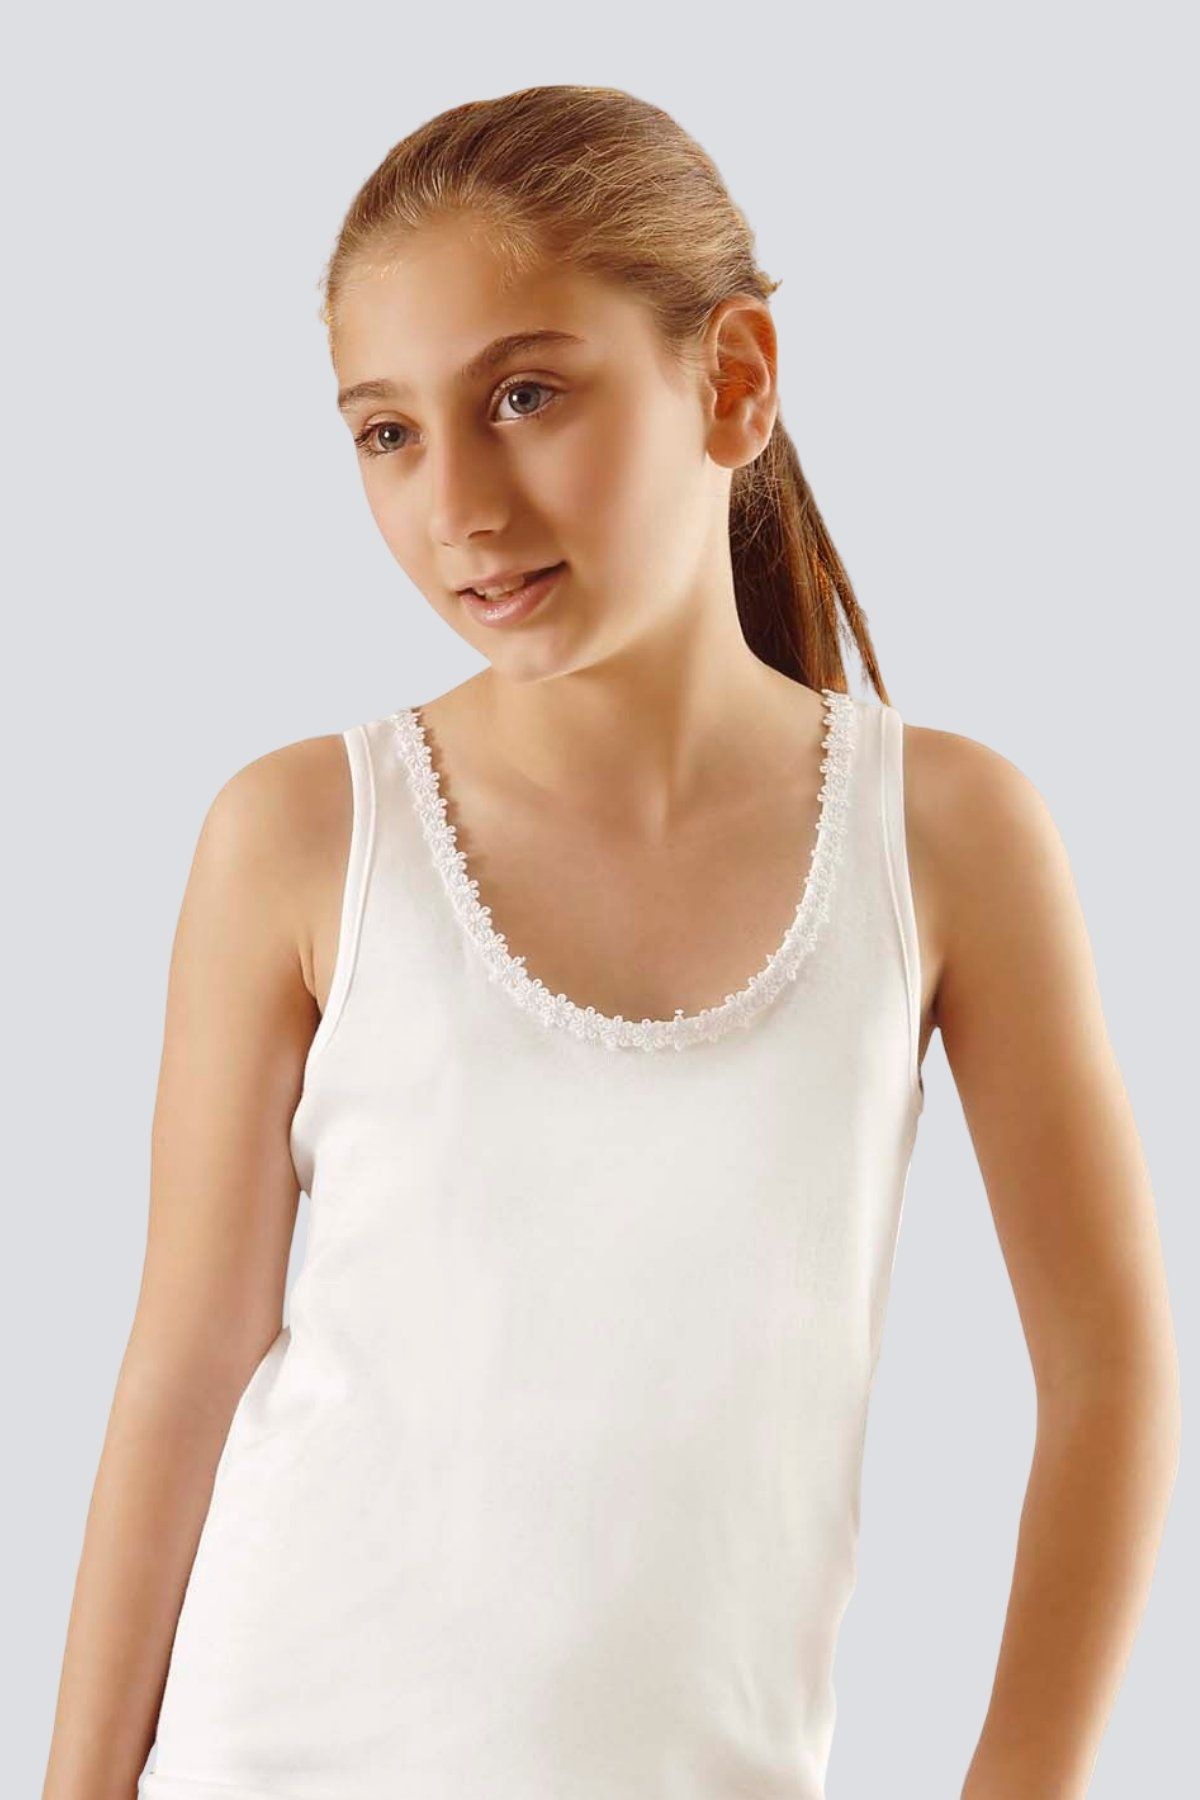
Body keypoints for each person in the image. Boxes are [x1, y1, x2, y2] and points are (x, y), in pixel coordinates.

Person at [43, 85, 1179, 1800]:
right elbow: (184, 1366)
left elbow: (1110, 1369)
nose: (458, 504)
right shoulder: (301, 836)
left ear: (735, 380)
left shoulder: (943, 836)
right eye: (387, 433)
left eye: (524, 396)